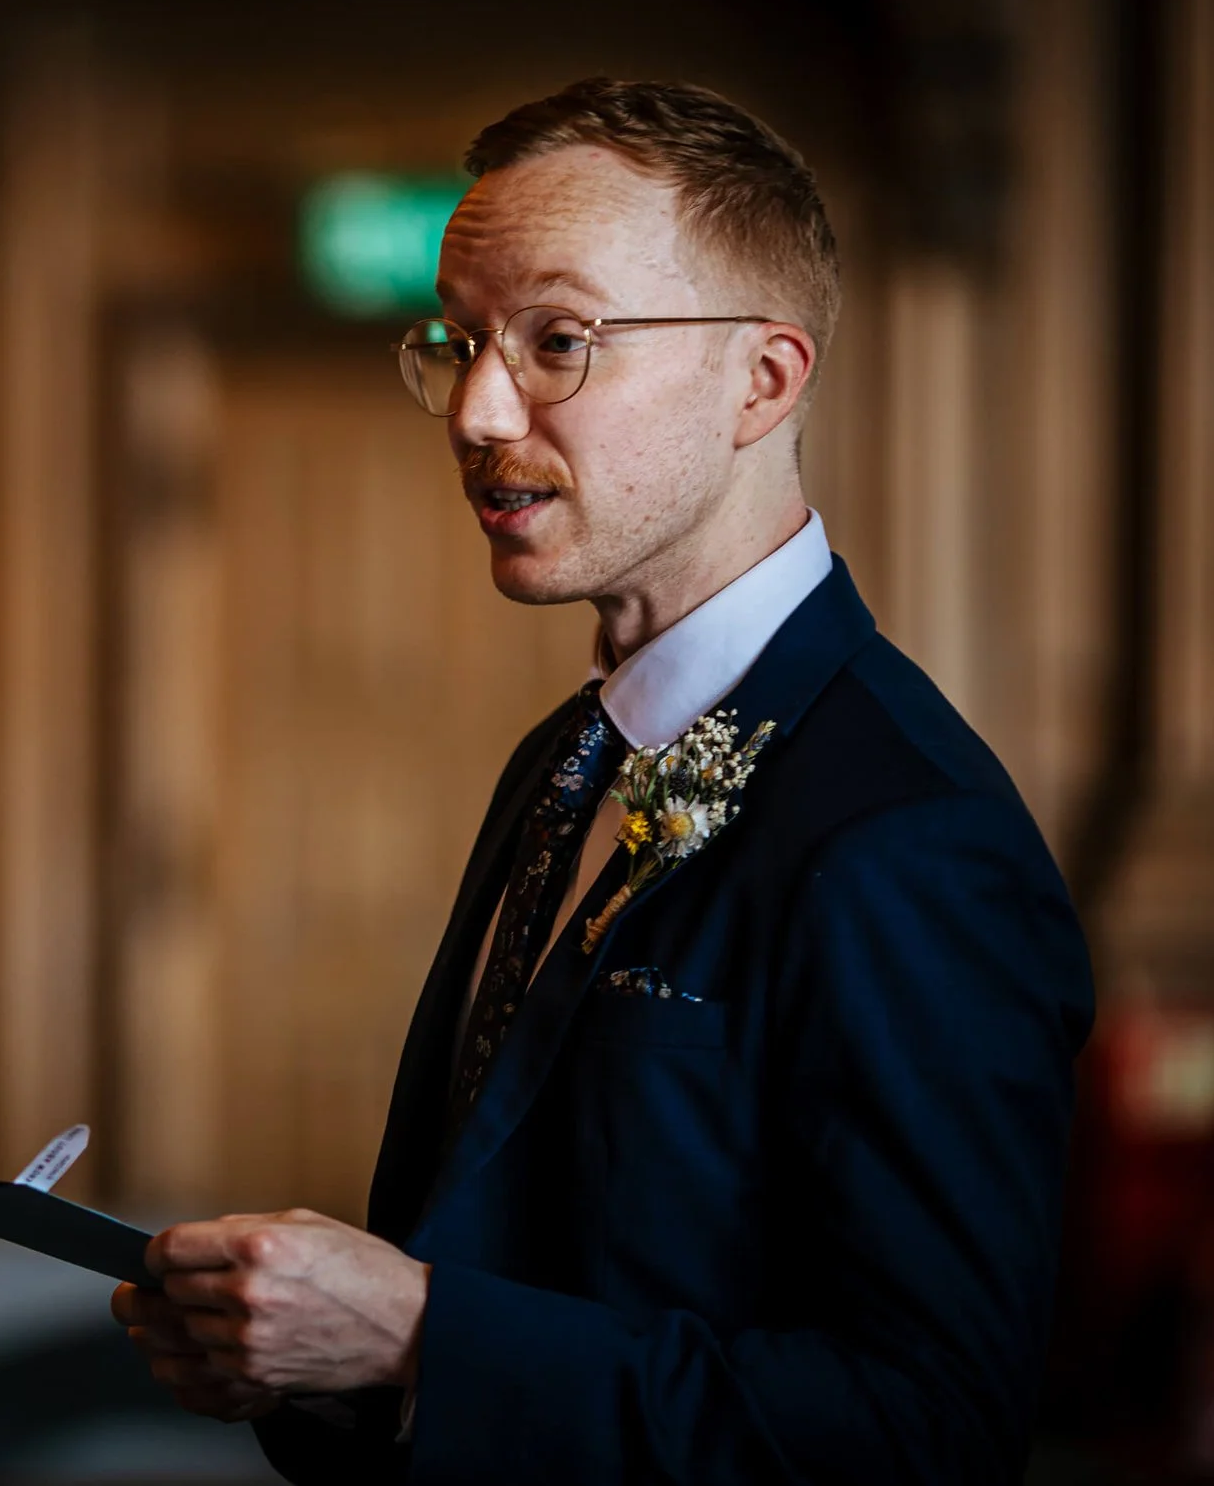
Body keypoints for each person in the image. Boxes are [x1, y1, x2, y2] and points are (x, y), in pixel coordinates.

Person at [110, 77, 1094, 1484]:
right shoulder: (566, 758)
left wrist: (421, 1335)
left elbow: (925, 1431)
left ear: (764, 379)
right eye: (460, 342)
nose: (474, 407)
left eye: (558, 341)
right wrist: (326, 1366)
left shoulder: (910, 832)